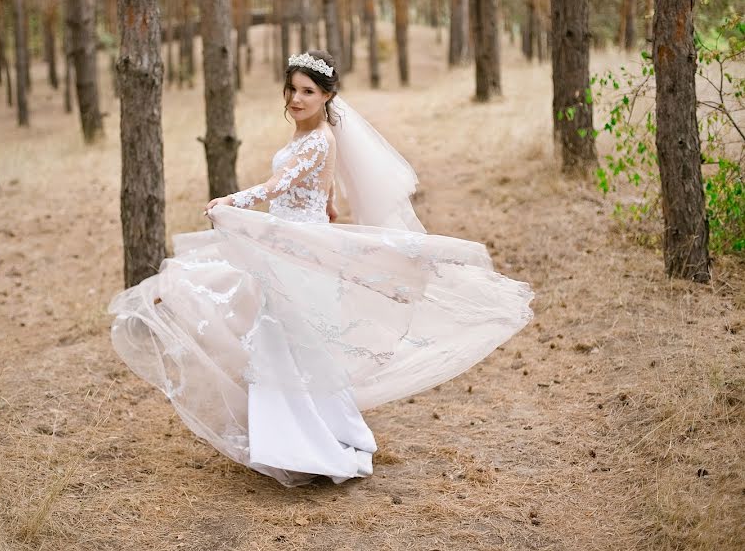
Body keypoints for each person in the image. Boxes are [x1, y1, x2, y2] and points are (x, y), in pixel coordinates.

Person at [109, 50, 534, 487]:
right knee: (292, 344)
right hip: (292, 247)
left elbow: (277, 185)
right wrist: (326, 207)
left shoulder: (316, 140)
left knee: (287, 343)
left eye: (307, 91)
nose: (295, 99)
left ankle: (304, 445)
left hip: (296, 255)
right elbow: (323, 190)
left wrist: (231, 202)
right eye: (292, 89)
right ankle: (309, 437)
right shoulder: (316, 136)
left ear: (327, 95)